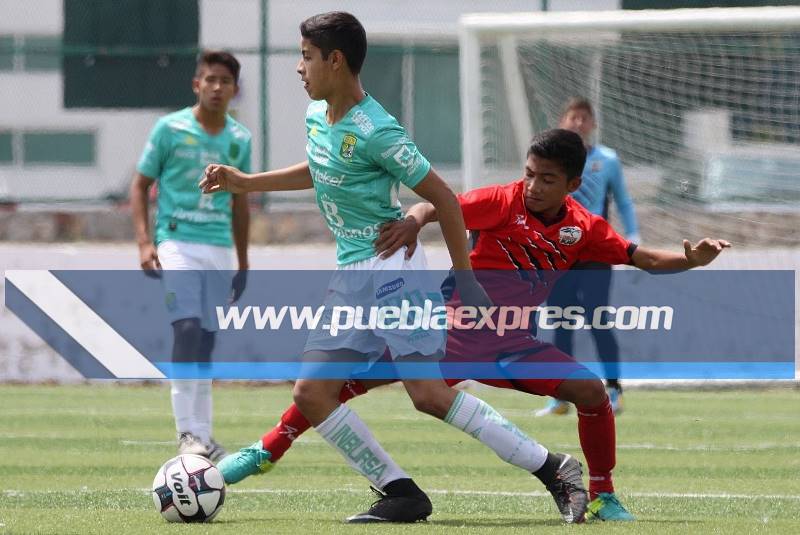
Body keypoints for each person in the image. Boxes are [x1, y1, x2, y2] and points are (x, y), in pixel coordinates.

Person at [214, 129, 729, 522]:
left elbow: (643, 258)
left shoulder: (583, 229)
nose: (532, 185)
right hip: (446, 333)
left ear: (573, 184)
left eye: (547, 178)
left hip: (513, 343)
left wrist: (692, 260)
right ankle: (265, 451)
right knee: (336, 384)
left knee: (591, 391)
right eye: (529, 172)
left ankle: (602, 496)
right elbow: (436, 203)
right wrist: (414, 222)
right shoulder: (503, 202)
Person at [200, 12, 588, 524]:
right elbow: (321, 170)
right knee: (313, 393)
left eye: (306, 56)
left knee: (428, 394)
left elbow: (444, 198)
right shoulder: (319, 115)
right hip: (352, 273)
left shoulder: (378, 129)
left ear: (334, 61)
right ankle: (400, 491)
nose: (299, 68)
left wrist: (465, 278)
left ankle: (554, 468)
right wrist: (245, 182)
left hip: (394, 273)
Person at [130, 50, 251, 462]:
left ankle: (205, 436)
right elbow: (139, 184)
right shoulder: (169, 128)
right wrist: (145, 242)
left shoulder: (239, 139)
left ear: (235, 89)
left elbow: (241, 201)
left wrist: (243, 261)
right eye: (210, 80)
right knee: (186, 330)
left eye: (225, 82)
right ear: (196, 84)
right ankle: (187, 433)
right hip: (176, 242)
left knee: (206, 341)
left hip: (218, 247)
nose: (217, 88)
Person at [537, 97, 640, 416]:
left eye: (584, 118)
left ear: (593, 124)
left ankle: (613, 388)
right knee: (560, 320)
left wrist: (633, 235)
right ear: (562, 121)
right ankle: (561, 394)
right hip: (558, 252)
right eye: (573, 117)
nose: (578, 123)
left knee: (598, 318)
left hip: (594, 251)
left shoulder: (607, 159)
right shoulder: (550, 160)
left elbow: (623, 201)